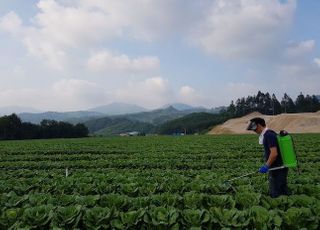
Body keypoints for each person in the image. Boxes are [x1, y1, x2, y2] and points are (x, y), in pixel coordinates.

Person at [246, 117, 289, 198]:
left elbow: (274, 153)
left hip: (278, 168)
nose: (254, 132)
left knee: (276, 193)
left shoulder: (268, 135)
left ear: (258, 126)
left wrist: (266, 166)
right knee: (282, 191)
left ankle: (279, 206)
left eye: (254, 129)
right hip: (277, 167)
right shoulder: (268, 134)